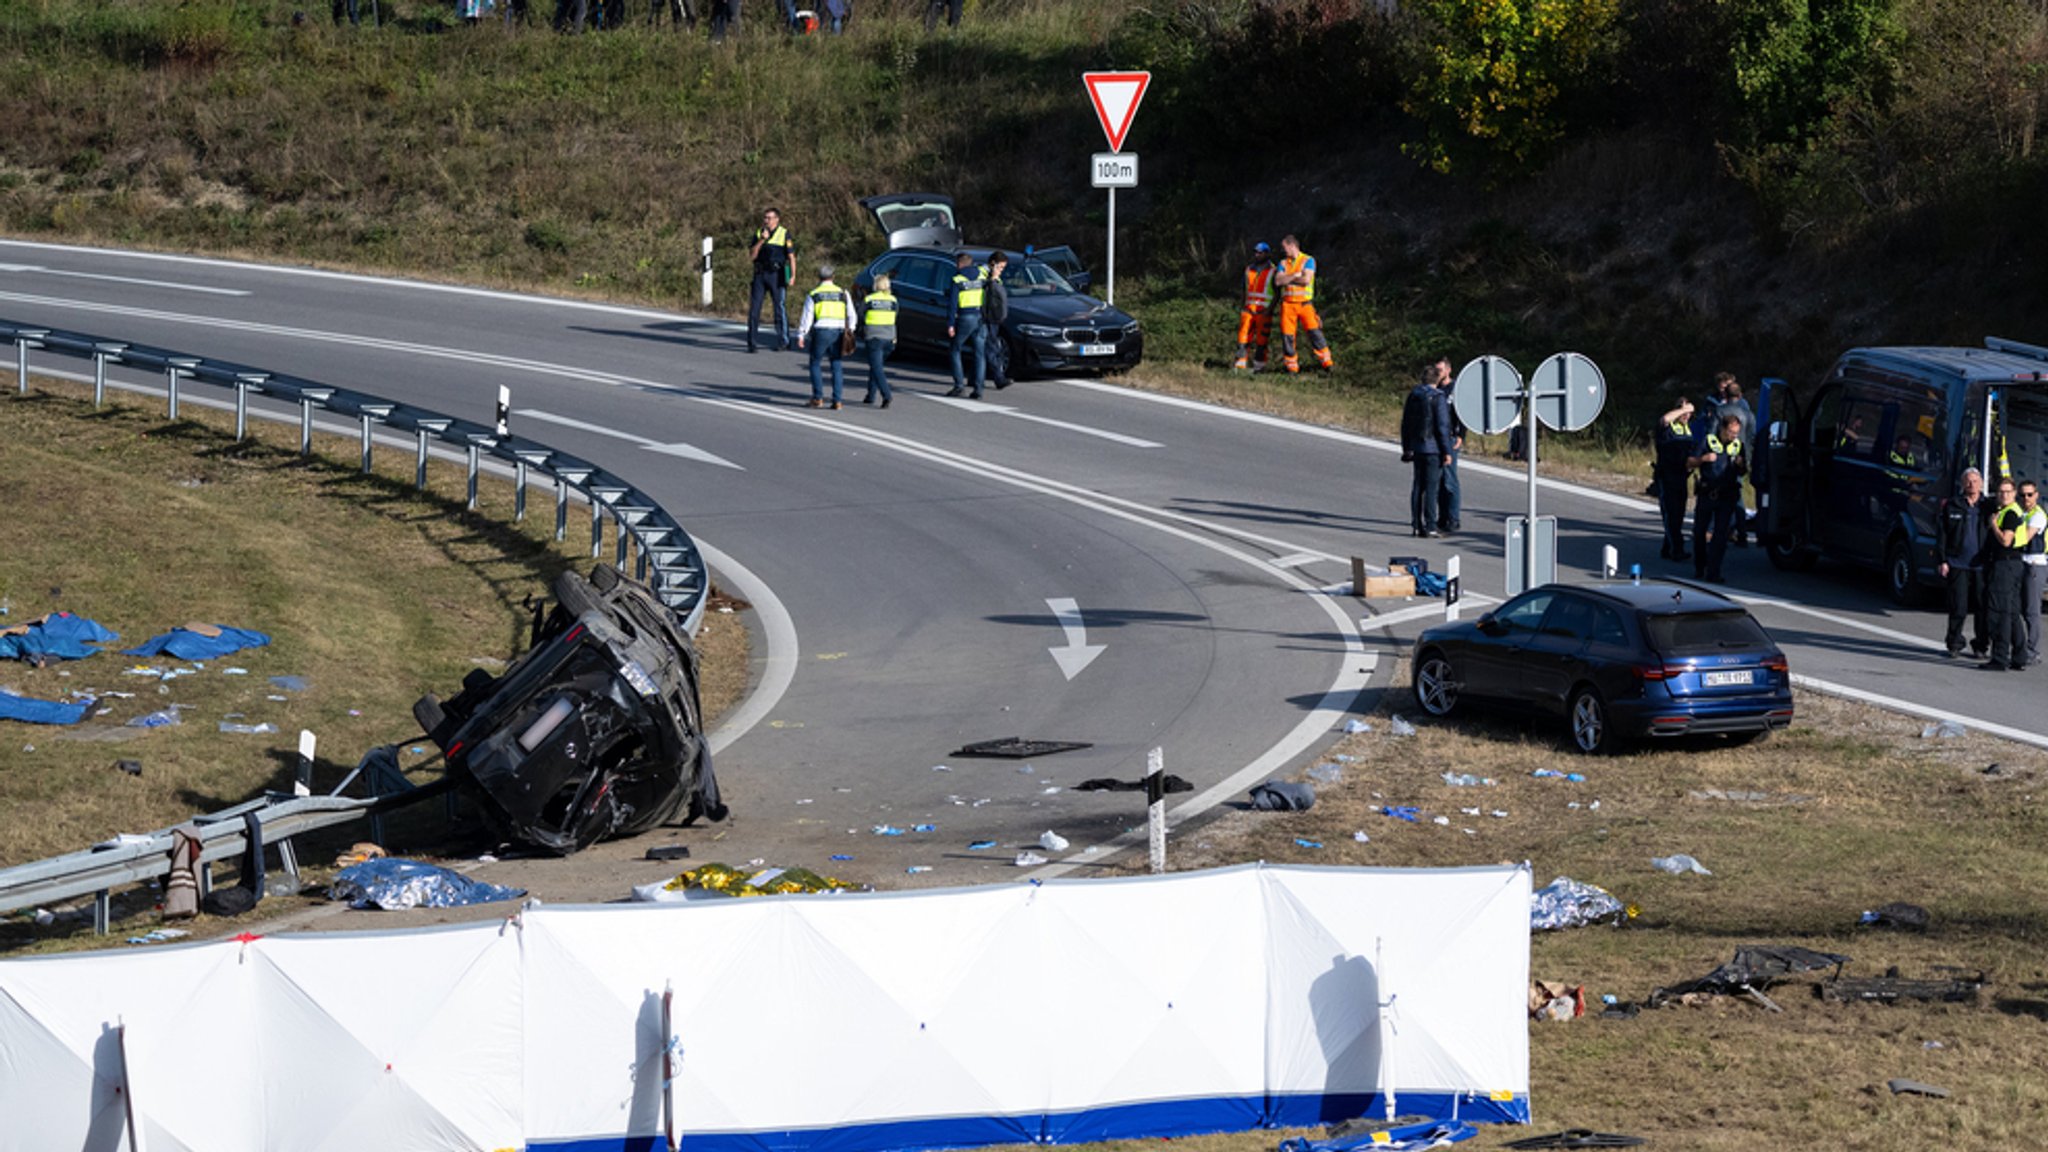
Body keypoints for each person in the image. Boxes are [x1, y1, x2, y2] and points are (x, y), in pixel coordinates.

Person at [1938, 467, 1991, 659]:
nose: (1972, 484)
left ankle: (1981, 646)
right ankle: (1954, 644)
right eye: (1968, 481)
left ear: (1982, 484)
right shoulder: (1952, 505)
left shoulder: (1989, 506)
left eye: (1976, 481)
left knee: (1982, 608)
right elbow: (1942, 534)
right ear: (1963, 484)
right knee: (1958, 606)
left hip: (1981, 565)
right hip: (1957, 563)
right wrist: (1942, 559)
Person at [1689, 412, 1746, 583]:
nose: (1733, 436)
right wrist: (1703, 459)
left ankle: (1714, 572)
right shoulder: (1708, 442)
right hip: (1707, 493)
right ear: (1722, 429)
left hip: (1727, 496)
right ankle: (1700, 566)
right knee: (1699, 533)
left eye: (1736, 433)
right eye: (1731, 432)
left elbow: (1744, 471)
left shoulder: (1738, 446)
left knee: (1720, 536)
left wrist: (1741, 465)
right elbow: (1690, 462)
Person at [1981, 477, 2031, 671]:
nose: (2003, 495)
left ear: (2014, 494)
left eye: (2008, 492)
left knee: (1999, 612)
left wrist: (1993, 524)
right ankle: (2019, 656)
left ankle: (2000, 657)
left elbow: (2006, 541)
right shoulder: (2010, 511)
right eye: (2001, 492)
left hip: (2005, 566)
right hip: (2014, 565)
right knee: (2011, 612)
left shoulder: (2009, 514)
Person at [1400, 357, 1451, 538]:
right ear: (1436, 380)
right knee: (1431, 488)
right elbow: (1442, 426)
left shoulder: (1414, 395)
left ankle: (1416, 524)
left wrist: (1406, 448)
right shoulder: (1438, 397)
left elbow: (1405, 424)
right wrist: (1447, 451)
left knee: (1417, 486)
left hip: (1416, 447)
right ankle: (1430, 525)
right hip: (1433, 449)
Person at [1273, 235, 1333, 373]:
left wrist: (1287, 278)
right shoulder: (1283, 263)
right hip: (1287, 305)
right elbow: (1277, 281)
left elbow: (1306, 280)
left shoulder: (1308, 260)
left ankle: (1327, 364)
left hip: (1305, 304)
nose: (1283, 250)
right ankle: (1292, 367)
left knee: (1315, 333)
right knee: (1287, 336)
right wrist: (1295, 276)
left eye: (1284, 247)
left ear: (1292, 245)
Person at [796, 264, 852, 410]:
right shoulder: (843, 293)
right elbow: (852, 314)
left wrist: (801, 334)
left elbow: (807, 317)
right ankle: (837, 400)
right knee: (836, 364)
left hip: (821, 330)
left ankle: (818, 398)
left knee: (815, 363)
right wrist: (850, 330)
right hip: (839, 331)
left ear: (819, 277)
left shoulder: (814, 293)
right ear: (833, 277)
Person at [1653, 395, 1700, 561]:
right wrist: (1685, 408)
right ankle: (1676, 549)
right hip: (1667, 477)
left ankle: (1668, 547)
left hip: (1681, 477)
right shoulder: (1667, 427)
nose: (1686, 415)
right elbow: (1663, 420)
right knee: (1671, 514)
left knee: (1679, 514)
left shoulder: (1688, 429)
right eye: (1683, 411)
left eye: (1688, 413)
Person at [1711, 373, 1756, 545]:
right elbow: (1752, 439)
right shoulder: (1749, 415)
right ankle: (1741, 532)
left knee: (1718, 494)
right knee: (1737, 494)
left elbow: (1711, 436)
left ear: (1725, 395)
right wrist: (1748, 459)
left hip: (1722, 457)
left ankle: (1718, 530)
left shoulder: (1719, 411)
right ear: (1740, 396)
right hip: (1740, 457)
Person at [747, 208, 795, 353]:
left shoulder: (784, 233)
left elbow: (791, 257)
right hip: (760, 274)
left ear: (776, 219)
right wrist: (762, 240)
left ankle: (783, 341)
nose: (766, 220)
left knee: (779, 308)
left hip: (777, 275)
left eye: (769, 218)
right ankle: (752, 342)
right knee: (754, 309)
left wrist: (793, 276)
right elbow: (752, 256)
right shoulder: (759, 233)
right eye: (765, 218)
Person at [945, 250, 989, 399]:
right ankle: (979, 389)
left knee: (955, 349)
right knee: (979, 354)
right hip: (980, 317)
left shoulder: (958, 279)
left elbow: (952, 305)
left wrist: (950, 324)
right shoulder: (982, 276)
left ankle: (959, 386)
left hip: (965, 317)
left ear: (960, 264)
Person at [1233, 243, 1277, 372]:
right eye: (1256, 252)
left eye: (1260, 252)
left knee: (1262, 340)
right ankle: (1240, 364)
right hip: (1248, 309)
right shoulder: (1248, 269)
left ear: (1267, 254)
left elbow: (1277, 293)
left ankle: (1259, 367)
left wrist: (1269, 310)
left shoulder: (1273, 271)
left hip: (1263, 311)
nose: (1257, 255)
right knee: (1243, 337)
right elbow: (1243, 290)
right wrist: (1243, 307)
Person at [859, 273, 897, 408]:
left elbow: (861, 315)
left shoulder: (869, 299)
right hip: (890, 338)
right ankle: (870, 395)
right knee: (876, 366)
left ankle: (887, 395)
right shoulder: (893, 300)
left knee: (877, 367)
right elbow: (896, 315)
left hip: (874, 337)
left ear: (876, 285)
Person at [2024, 481, 2047, 666]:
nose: (2026, 498)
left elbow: (2025, 537)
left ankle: (2032, 651)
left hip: (2034, 564)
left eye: (2030, 494)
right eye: (2022, 495)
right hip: (2021, 562)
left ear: (2036, 495)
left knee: (2032, 610)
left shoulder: (2038, 516)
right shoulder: (2022, 512)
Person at [1437, 370, 1463, 532]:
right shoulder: (1436, 389)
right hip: (1437, 439)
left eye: (1441, 370)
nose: (1438, 373)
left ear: (1448, 370)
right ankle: (1443, 517)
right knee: (1439, 480)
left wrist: (1461, 435)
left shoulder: (1456, 389)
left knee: (1450, 480)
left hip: (1451, 438)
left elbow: (1464, 412)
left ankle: (1454, 518)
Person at [983, 251, 1012, 390]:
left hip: (994, 318)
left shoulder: (996, 279)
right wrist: (992, 278)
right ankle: (999, 378)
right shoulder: (984, 276)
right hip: (986, 318)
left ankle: (974, 378)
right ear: (992, 264)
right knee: (991, 348)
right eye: (1000, 267)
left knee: (984, 349)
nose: (1001, 271)